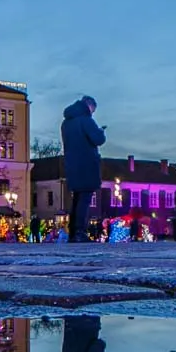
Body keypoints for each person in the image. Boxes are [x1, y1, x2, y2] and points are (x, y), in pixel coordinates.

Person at [61, 96, 106, 243]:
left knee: (77, 198)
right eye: (93, 109)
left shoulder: (66, 123)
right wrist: (100, 131)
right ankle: (80, 232)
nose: (93, 112)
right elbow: (98, 140)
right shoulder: (86, 120)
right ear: (89, 105)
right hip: (86, 163)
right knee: (85, 198)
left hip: (72, 164)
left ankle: (73, 232)